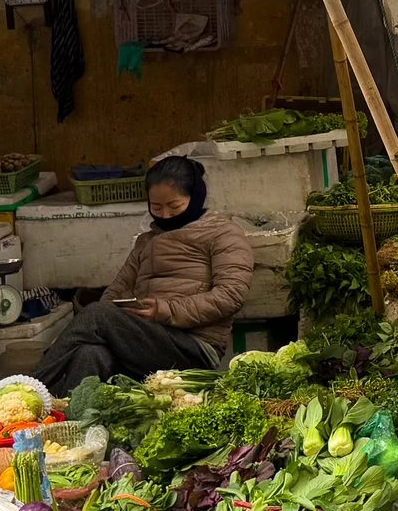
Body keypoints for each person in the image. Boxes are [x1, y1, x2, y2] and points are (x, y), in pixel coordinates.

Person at [34, 156, 257, 389]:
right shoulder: (146, 241)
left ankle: (29, 387)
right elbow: (115, 291)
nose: (165, 215)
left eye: (175, 206)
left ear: (196, 197)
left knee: (96, 313)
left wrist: (166, 311)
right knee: (91, 354)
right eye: (156, 207)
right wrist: (114, 321)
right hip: (145, 340)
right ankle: (63, 421)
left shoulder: (223, 234)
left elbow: (231, 295)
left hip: (193, 347)